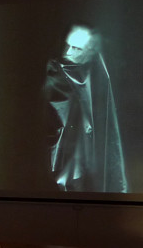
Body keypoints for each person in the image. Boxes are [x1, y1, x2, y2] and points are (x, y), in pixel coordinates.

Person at [43, 23, 128, 193]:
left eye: (76, 48)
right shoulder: (54, 74)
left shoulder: (99, 84)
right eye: (67, 45)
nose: (67, 52)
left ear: (91, 53)